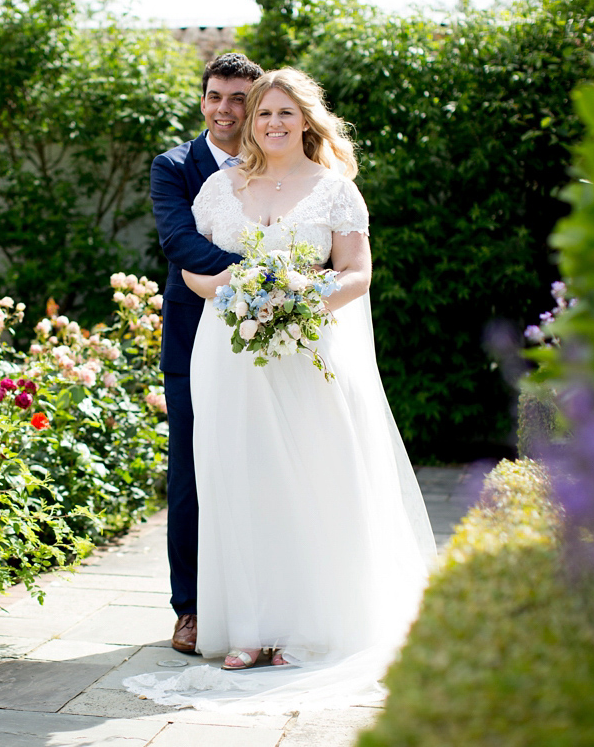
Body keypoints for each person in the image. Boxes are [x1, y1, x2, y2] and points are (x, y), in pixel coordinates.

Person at [127, 68, 436, 712]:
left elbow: (356, 274)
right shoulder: (217, 187)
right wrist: (248, 294)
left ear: (306, 121)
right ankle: (249, 630)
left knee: (309, 482)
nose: (271, 124)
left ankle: (302, 628)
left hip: (308, 352)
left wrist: (300, 297)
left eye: (283, 114)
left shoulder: (335, 191)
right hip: (231, 353)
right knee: (239, 484)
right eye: (263, 113)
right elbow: (192, 271)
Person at [151, 53, 264, 655]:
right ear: (203, 101)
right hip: (194, 341)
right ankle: (190, 609)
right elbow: (180, 242)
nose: (226, 109)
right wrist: (268, 277)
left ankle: (262, 604)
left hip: (270, 344)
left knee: (264, 469)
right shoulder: (173, 166)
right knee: (192, 476)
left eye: (239, 98)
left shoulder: (277, 163)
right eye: (217, 96)